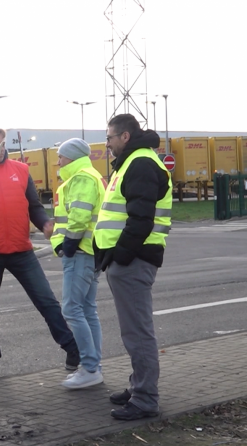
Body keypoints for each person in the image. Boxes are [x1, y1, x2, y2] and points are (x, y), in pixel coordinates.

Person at [0, 126, 80, 379]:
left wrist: (44, 223)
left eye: (4, 144)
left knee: (47, 302)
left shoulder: (21, 170)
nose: (2, 149)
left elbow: (34, 206)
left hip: (21, 251)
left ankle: (71, 349)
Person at [95, 114, 172, 420]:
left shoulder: (139, 163)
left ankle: (145, 399)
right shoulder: (135, 161)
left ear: (124, 136)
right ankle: (138, 385)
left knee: (137, 332)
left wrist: (121, 256)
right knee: (134, 331)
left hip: (134, 259)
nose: (108, 144)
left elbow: (141, 219)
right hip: (130, 259)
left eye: (110, 138)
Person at [50, 139, 107, 390]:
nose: (58, 161)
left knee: (72, 309)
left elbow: (80, 214)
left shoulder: (80, 178)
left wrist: (69, 243)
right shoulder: (89, 175)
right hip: (89, 251)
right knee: (86, 309)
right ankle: (94, 365)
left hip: (80, 252)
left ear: (71, 157)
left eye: (61, 157)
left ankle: (90, 367)